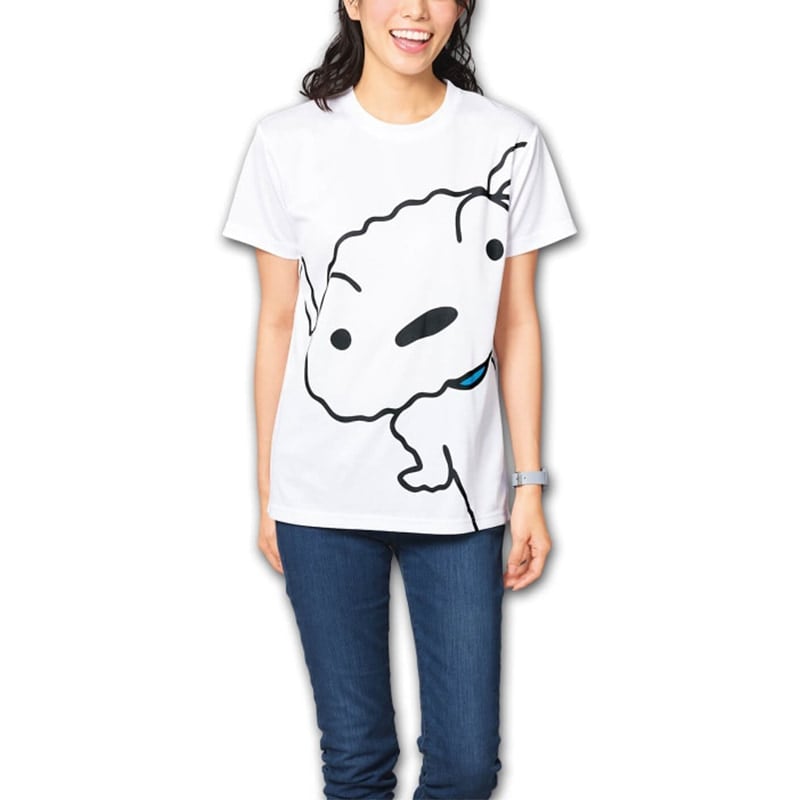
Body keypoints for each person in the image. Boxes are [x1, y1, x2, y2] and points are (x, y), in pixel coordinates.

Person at [221, 1, 577, 797]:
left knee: (465, 765)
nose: (416, 10)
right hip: (320, 497)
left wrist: (529, 486)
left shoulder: (508, 140)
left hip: (461, 498)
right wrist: (270, 491)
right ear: (351, 2)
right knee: (355, 761)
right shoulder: (288, 141)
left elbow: (516, 323)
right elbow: (277, 323)